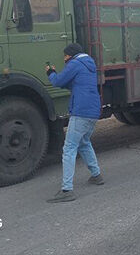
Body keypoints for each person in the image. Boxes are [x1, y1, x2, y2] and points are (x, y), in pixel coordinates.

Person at [45, 43, 103, 203]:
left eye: (65, 56)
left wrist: (51, 73)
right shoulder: (89, 64)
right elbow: (71, 83)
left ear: (70, 55)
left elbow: (58, 82)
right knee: (84, 142)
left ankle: (67, 190)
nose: (64, 58)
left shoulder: (74, 64)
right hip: (93, 110)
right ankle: (96, 175)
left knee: (69, 148)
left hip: (81, 111)